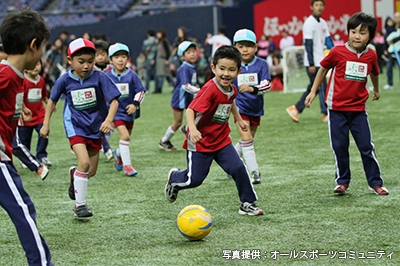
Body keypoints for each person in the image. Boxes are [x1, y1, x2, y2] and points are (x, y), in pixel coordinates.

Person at [165, 45, 263, 216]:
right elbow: (190, 110)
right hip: (201, 141)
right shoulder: (210, 89)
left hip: (221, 139)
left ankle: (247, 203)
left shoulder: (231, 88)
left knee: (238, 168)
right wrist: (193, 130)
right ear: (213, 68)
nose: (226, 73)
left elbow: (230, 101)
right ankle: (174, 178)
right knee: (194, 180)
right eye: (222, 69)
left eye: (231, 70)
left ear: (238, 71)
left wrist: (238, 119)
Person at [304, 12, 389, 196]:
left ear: (370, 36)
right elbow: (323, 69)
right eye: (353, 31)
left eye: (362, 32)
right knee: (340, 147)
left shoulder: (371, 55)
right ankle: (342, 182)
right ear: (348, 33)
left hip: (358, 111)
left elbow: (374, 72)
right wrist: (312, 91)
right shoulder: (337, 52)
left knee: (366, 147)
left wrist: (376, 89)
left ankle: (376, 183)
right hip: (336, 110)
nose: (357, 36)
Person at [40, 38, 121, 219]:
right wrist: (46, 124)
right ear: (70, 60)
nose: (86, 66)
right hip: (75, 127)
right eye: (81, 62)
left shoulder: (100, 77)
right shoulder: (64, 80)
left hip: (95, 128)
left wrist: (108, 120)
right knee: (84, 163)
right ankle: (80, 206)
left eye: (90, 62)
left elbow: (114, 100)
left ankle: (74, 175)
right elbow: (52, 100)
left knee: (90, 171)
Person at [0, 9, 54, 265]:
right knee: (23, 211)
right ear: (34, 45)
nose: (43, 52)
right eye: (43, 46)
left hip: (6, 158)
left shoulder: (17, 76)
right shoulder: (5, 73)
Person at [232, 29, 271, 184]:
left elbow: (267, 85)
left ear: (256, 47)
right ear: (235, 47)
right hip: (239, 108)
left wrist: (252, 89)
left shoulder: (262, 64)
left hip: (256, 108)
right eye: (241, 46)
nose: (245, 49)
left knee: (246, 139)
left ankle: (230, 164)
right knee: (247, 138)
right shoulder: (233, 65)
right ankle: (254, 172)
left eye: (249, 46)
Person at [286, 0, 333, 123]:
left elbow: (328, 40)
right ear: (311, 7)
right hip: (314, 63)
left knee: (314, 87)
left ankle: (295, 108)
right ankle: (325, 113)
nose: (319, 7)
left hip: (321, 61)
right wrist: (311, 63)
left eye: (321, 5)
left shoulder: (323, 22)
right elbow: (308, 44)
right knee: (322, 87)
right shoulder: (309, 23)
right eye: (316, 5)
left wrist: (335, 53)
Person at [105, 43, 146, 176]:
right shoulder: (106, 76)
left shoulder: (132, 75)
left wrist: (135, 103)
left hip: (129, 113)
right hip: (115, 113)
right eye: (116, 57)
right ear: (110, 60)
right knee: (125, 136)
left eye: (123, 56)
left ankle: (118, 154)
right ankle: (127, 167)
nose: (120, 60)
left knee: (126, 139)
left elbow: (141, 91)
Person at [12, 60, 51, 180]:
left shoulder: (41, 80)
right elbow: (19, 95)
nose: (35, 67)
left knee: (43, 134)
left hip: (38, 115)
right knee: (22, 142)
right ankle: (28, 162)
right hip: (25, 119)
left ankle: (40, 157)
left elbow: (44, 94)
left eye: (38, 64)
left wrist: (48, 103)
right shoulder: (23, 80)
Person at [158, 41, 200, 151]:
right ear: (182, 56)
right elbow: (185, 85)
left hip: (188, 99)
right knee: (177, 122)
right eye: (189, 52)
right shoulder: (184, 67)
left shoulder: (192, 66)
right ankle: (164, 141)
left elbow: (194, 83)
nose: (192, 54)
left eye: (194, 51)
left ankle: (186, 129)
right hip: (180, 99)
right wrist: (199, 91)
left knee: (196, 119)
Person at [93, 39, 114, 162]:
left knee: (110, 127)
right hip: (97, 105)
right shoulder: (92, 71)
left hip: (112, 104)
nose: (100, 57)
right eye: (97, 55)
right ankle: (106, 148)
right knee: (99, 126)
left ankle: (103, 145)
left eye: (103, 54)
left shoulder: (112, 69)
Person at [383, 12, 400, 90]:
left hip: (399, 50)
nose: (397, 19)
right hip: (392, 50)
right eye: (396, 17)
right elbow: (387, 40)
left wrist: (394, 40)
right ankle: (390, 84)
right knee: (389, 67)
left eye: (398, 17)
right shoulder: (391, 27)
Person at [154, 28, 172, 93]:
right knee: (163, 74)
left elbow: (168, 51)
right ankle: (158, 88)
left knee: (163, 74)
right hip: (159, 59)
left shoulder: (164, 41)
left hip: (163, 59)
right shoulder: (158, 42)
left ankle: (159, 89)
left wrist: (167, 59)